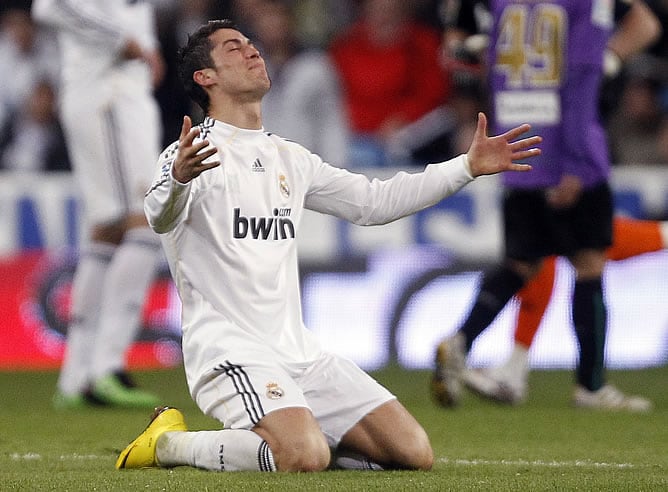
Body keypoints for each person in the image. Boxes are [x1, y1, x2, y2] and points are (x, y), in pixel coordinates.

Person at [115, 19, 541, 473]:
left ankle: (300, 441)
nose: (252, 50)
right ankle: (168, 444)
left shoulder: (290, 158)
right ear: (206, 77)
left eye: (250, 43)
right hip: (230, 351)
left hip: (301, 355)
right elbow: (159, 215)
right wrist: (179, 179)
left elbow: (373, 202)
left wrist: (465, 167)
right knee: (303, 455)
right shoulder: (191, 151)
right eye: (233, 48)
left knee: (413, 454)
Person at [432, 0, 661, 412]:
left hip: (517, 141)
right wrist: (574, 160)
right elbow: (581, 77)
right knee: (590, 262)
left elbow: (482, 66)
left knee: (523, 263)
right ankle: (591, 385)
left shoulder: (504, 5)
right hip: (569, 145)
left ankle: (461, 340)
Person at [31, 0, 166, 409]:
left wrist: (146, 45)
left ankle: (76, 377)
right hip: (108, 93)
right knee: (143, 221)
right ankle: (107, 366)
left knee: (107, 229)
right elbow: (49, 7)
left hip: (115, 91)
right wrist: (124, 41)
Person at [463, 216, 668, 404]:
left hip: (554, 181)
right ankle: (513, 365)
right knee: (557, 245)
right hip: (556, 181)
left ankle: (506, 362)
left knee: (559, 244)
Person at [329, 0, 450, 167]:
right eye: (377, 8)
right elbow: (331, 96)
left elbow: (434, 94)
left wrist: (405, 117)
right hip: (351, 137)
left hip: (408, 137)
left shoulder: (423, 44)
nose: (384, 14)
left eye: (391, 9)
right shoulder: (346, 46)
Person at [250, 0, 350, 167]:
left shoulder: (316, 66)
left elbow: (331, 121)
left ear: (291, 21)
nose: (273, 24)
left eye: (278, 16)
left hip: (306, 166)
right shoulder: (244, 66)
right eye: (266, 17)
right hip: (259, 168)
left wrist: (337, 166)